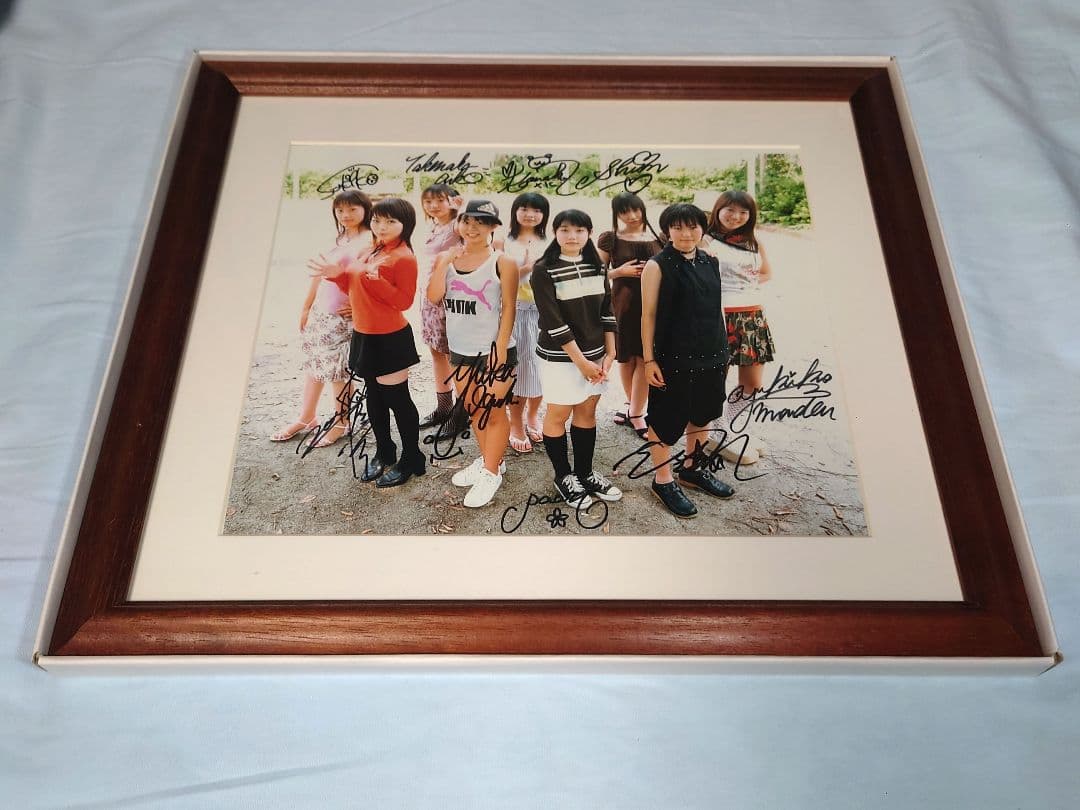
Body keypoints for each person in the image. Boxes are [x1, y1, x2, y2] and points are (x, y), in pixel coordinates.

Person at [308, 197, 425, 488]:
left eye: (390, 221)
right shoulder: (369, 248)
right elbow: (353, 285)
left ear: (405, 225)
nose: (381, 227)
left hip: (389, 337)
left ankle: (412, 457)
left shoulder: (404, 257)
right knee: (374, 396)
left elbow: (404, 301)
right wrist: (337, 277)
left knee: (397, 400)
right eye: (377, 220)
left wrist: (377, 281)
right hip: (363, 334)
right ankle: (385, 450)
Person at [639, 203, 735, 518]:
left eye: (692, 226)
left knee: (703, 413)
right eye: (678, 227)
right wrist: (649, 360)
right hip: (673, 357)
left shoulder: (710, 261)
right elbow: (647, 315)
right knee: (665, 420)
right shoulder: (657, 265)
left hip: (712, 354)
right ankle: (663, 480)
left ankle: (692, 469)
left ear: (702, 229)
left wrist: (724, 352)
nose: (686, 233)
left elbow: (715, 308)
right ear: (667, 230)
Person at [427, 199, 518, 508]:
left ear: (493, 226)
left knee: (493, 411)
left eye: (481, 221)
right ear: (458, 223)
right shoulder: (447, 258)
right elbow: (434, 297)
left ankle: (491, 474)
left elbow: (509, 308)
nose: (472, 227)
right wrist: (443, 263)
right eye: (467, 220)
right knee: (474, 408)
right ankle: (491, 460)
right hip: (460, 350)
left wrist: (501, 348)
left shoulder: (502, 262)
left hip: (494, 351)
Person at [531, 209, 622, 509]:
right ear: (555, 232)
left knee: (586, 412)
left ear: (589, 233)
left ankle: (585, 473)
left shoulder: (597, 266)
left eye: (580, 230)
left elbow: (607, 311)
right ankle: (564, 476)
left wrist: (610, 352)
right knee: (558, 414)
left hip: (595, 356)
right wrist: (581, 362)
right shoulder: (544, 269)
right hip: (560, 357)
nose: (572, 236)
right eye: (565, 230)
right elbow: (554, 322)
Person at [271, 189, 370, 448]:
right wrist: (306, 307)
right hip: (321, 312)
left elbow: (370, 279)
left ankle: (342, 422)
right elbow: (320, 274)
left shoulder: (369, 240)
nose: (346, 214)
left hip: (343, 316)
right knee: (315, 364)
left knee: (338, 371)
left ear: (365, 208)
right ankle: (307, 417)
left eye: (352, 209)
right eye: (340, 210)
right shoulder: (338, 239)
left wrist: (360, 307)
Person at [700, 190, 775, 464]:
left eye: (743, 212)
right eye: (730, 210)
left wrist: (747, 280)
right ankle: (717, 432)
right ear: (718, 210)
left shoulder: (753, 241)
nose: (736, 216)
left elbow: (767, 272)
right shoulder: (705, 240)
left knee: (752, 383)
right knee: (716, 380)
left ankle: (730, 427)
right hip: (720, 315)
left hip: (752, 315)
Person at [596, 192, 664, 440]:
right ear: (617, 214)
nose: (632, 216)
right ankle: (632, 406)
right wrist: (619, 271)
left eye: (636, 209)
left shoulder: (660, 236)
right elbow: (593, 272)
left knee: (645, 357)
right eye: (625, 212)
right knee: (625, 358)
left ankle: (635, 412)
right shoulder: (610, 238)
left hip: (653, 305)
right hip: (622, 304)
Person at [416, 183, 469, 435]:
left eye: (440, 200)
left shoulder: (458, 224)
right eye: (428, 201)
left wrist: (463, 209)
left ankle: (461, 412)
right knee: (436, 352)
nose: (433, 205)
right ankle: (443, 407)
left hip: (450, 297)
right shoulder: (433, 226)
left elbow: (475, 228)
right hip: (429, 298)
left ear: (452, 200)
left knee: (454, 355)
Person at [501, 192, 550, 453]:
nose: (530, 214)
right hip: (516, 312)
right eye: (525, 208)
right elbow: (498, 281)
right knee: (518, 370)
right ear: (515, 211)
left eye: (537, 210)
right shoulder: (503, 242)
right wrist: (528, 267)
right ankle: (516, 422)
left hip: (544, 314)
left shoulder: (550, 242)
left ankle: (533, 415)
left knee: (541, 369)